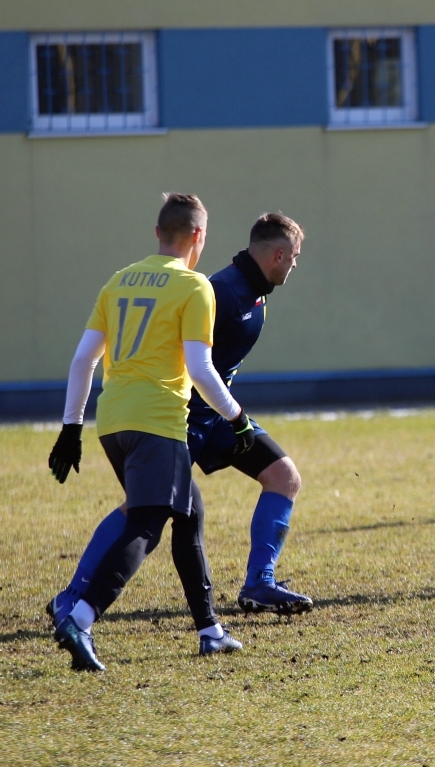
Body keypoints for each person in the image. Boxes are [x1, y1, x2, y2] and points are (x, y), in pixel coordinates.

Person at [47, 214, 312, 623]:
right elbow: (188, 359)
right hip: (181, 416)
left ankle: (259, 582)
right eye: (293, 257)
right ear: (277, 254)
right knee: (143, 510)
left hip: (219, 416)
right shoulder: (219, 291)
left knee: (284, 476)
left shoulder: (256, 291)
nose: (295, 265)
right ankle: (73, 596)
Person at [46, 193, 254, 672]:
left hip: (113, 421)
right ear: (198, 236)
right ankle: (78, 614)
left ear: (157, 232)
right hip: (156, 421)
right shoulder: (194, 285)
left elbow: (83, 360)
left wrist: (70, 428)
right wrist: (237, 417)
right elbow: (201, 368)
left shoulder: (119, 281)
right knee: (147, 523)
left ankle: (210, 630)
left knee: (190, 513)